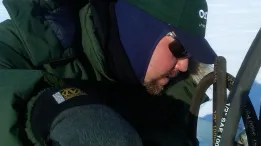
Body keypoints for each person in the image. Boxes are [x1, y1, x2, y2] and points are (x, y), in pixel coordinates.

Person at [0, 0, 217, 145]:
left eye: (191, 54)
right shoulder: (28, 43)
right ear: (139, 30)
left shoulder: (166, 92)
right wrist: (48, 108)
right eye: (180, 49)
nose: (184, 66)